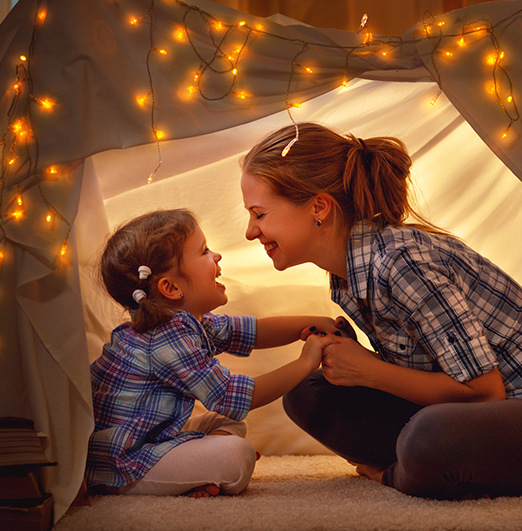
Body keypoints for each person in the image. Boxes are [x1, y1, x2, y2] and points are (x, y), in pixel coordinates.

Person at [240, 122, 522, 499]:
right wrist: (355, 362)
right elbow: (430, 371)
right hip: (477, 419)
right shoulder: (347, 276)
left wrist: (369, 370)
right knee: (307, 392)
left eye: (259, 214)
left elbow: (484, 393)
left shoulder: (402, 263)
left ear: (319, 207)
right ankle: (424, 466)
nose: (250, 232)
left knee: (430, 437)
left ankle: (398, 474)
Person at [84, 209, 341, 499]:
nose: (216, 256)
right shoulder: (165, 339)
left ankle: (197, 470)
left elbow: (253, 331)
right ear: (170, 288)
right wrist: (306, 362)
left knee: (225, 423)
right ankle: (181, 472)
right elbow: (233, 396)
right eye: (204, 251)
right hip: (123, 461)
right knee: (237, 455)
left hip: (150, 436)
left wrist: (312, 323)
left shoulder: (185, 323)